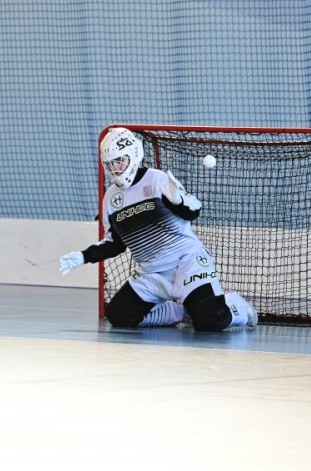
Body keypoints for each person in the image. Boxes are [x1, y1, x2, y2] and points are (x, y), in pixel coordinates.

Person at [59, 127, 256, 332]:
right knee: (119, 316)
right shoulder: (110, 199)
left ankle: (238, 306)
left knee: (211, 320)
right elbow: (115, 244)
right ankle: (182, 313)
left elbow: (192, 212)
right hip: (151, 273)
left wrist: (179, 201)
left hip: (186, 262)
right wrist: (84, 256)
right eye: (109, 164)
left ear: (134, 155)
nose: (115, 168)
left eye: (119, 161)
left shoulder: (157, 179)